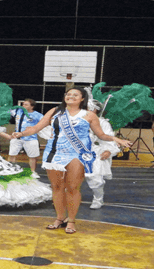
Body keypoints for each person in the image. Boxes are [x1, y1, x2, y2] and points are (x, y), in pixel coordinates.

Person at [12, 88, 132, 234]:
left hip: (78, 153)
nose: (71, 96)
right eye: (68, 94)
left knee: (73, 187)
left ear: (82, 99)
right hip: (54, 152)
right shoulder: (55, 111)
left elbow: (101, 134)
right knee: (56, 187)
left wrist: (115, 139)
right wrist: (21, 133)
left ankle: (72, 220)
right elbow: (37, 127)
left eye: (75, 94)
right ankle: (60, 218)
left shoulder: (89, 115)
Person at [86, 99, 119, 209]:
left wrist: (109, 150)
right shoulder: (77, 120)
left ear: (94, 110)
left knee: (95, 177)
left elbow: (109, 137)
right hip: (77, 152)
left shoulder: (103, 123)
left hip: (96, 152)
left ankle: (98, 199)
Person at [8, 98, 44, 178]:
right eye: (23, 104)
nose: (23, 106)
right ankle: (10, 169)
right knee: (12, 154)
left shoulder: (38, 115)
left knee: (33, 157)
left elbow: (45, 124)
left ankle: (33, 172)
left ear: (32, 107)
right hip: (16, 138)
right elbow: (5, 111)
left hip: (31, 139)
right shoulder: (18, 111)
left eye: (26, 104)